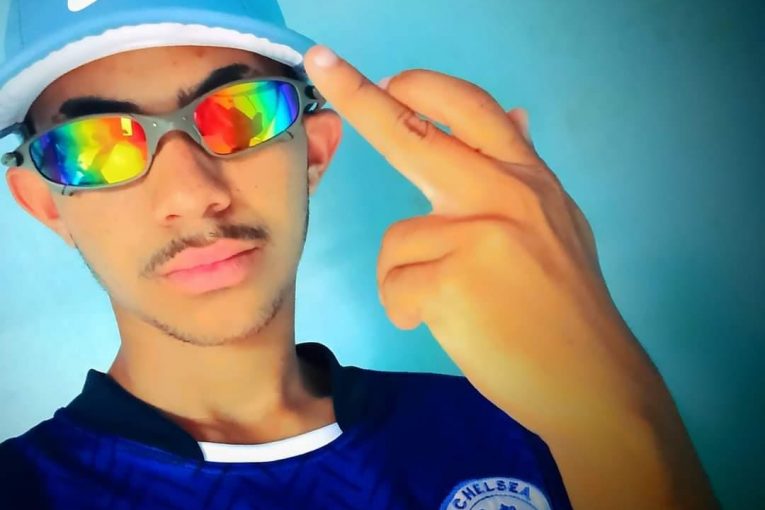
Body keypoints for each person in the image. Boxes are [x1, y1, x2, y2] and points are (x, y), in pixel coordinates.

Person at [0, 1, 719, 509]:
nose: (192, 194)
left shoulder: (529, 424)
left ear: (313, 152)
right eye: (93, 146)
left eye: (240, 113)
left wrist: (619, 424)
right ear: (44, 204)